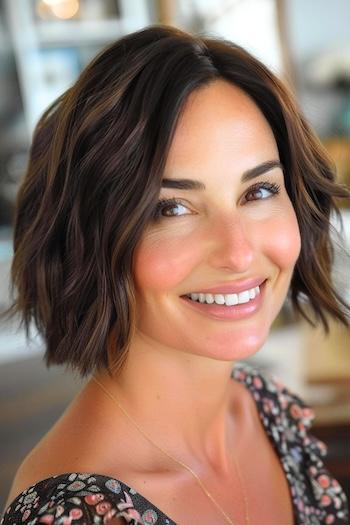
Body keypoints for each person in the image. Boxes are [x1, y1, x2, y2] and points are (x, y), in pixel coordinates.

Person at [1, 24, 349, 525]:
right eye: (172, 209)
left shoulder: (268, 410)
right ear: (90, 237)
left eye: (258, 192)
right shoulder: (75, 515)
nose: (237, 252)